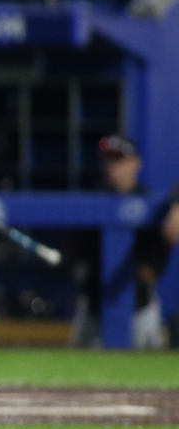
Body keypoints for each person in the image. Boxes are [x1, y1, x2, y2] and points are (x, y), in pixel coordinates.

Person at [70, 136, 174, 349]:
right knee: (75, 362)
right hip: (94, 305)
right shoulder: (91, 200)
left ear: (136, 163)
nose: (112, 167)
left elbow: (153, 267)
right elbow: (76, 251)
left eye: (119, 160)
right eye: (108, 160)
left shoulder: (152, 204)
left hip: (139, 307)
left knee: (148, 364)